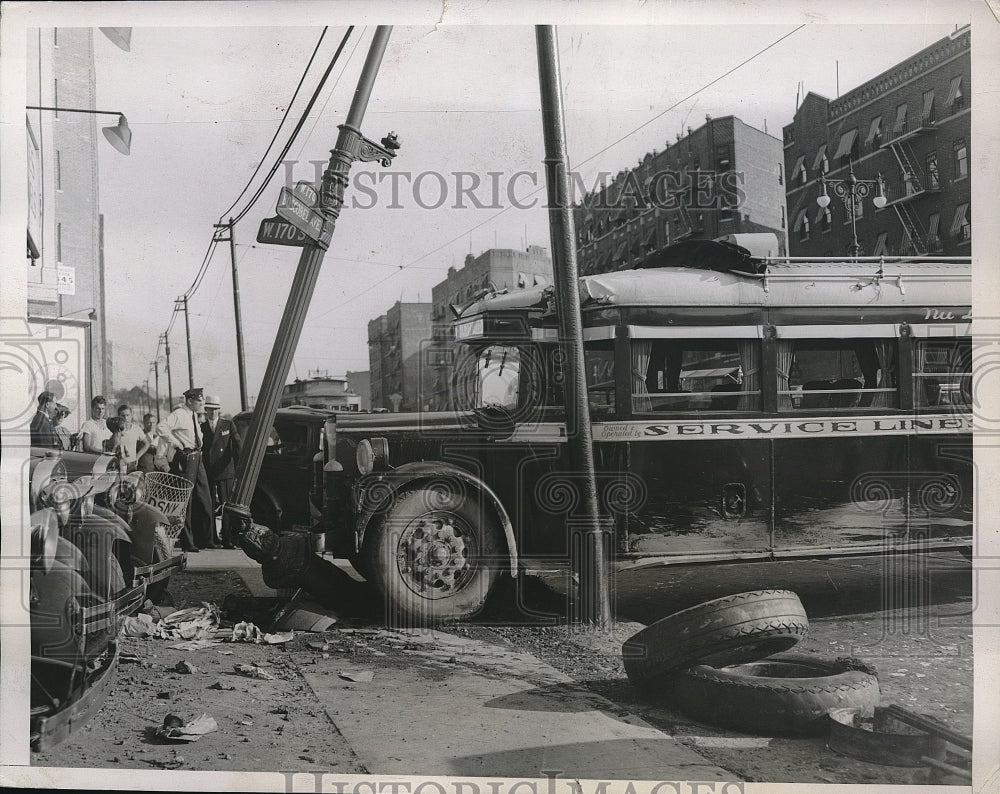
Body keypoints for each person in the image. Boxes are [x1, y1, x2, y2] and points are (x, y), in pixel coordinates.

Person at [157, 387, 216, 551]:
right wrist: (176, 444)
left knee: (205, 498)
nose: (201, 404)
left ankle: (206, 538)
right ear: (190, 400)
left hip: (198, 457)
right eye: (199, 401)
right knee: (186, 501)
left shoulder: (193, 416)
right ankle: (187, 541)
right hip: (187, 458)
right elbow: (161, 428)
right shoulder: (180, 414)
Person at [201, 395, 243, 548]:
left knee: (226, 506)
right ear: (206, 410)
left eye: (215, 410)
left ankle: (227, 539)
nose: (213, 413)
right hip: (208, 471)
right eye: (210, 410)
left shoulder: (228, 424)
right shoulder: (201, 427)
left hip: (225, 470)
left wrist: (239, 467)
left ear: (219, 410)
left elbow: (237, 445)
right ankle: (211, 539)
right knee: (209, 505)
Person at [115, 404, 149, 472]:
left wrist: (137, 457)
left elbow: (147, 444)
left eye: (128, 415)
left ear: (131, 415)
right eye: (123, 416)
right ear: (119, 416)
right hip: (118, 465)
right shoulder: (115, 430)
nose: (126, 418)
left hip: (132, 464)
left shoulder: (136, 429)